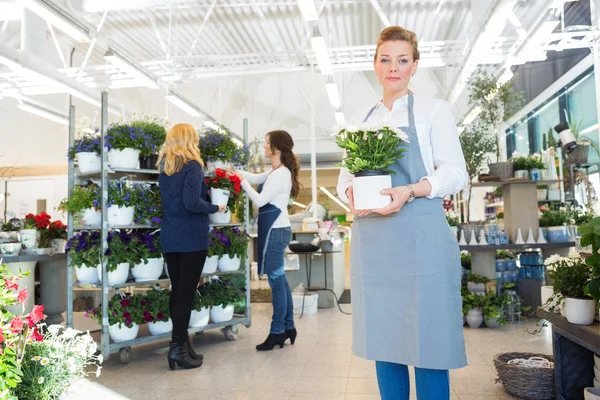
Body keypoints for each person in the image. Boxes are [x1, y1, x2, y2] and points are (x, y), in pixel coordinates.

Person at [336, 26, 468, 400]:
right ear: (375, 65)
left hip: (421, 238)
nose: (393, 67)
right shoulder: (363, 120)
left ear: (414, 66)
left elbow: (456, 173)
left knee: (428, 345)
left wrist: (410, 190)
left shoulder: (433, 111)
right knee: (385, 343)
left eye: (402, 60)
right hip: (375, 245)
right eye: (385, 59)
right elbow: (346, 174)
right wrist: (350, 189)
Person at [158, 123, 226, 370]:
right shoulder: (193, 167)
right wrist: (215, 207)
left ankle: (182, 345)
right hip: (191, 240)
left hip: (171, 238)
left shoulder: (166, 168)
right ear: (190, 141)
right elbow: (191, 202)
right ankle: (177, 348)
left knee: (178, 292)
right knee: (185, 294)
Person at [229, 130, 300, 351]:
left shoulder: (280, 174)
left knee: (276, 283)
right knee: (281, 281)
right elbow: (257, 178)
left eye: (267, 143)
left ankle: (277, 331)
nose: (264, 147)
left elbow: (260, 200)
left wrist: (241, 183)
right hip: (278, 229)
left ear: (277, 148)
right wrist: (235, 172)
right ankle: (288, 327)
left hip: (276, 232)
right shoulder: (277, 171)